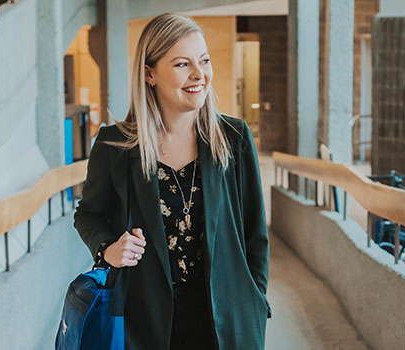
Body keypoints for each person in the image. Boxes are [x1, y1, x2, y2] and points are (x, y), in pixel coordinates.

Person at [73, 13, 270, 350]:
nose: (199, 74)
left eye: (204, 60)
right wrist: (108, 249)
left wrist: (256, 300)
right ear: (149, 73)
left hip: (226, 321)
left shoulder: (234, 138)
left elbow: (255, 234)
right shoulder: (115, 145)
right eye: (182, 64)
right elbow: (88, 215)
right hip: (144, 320)